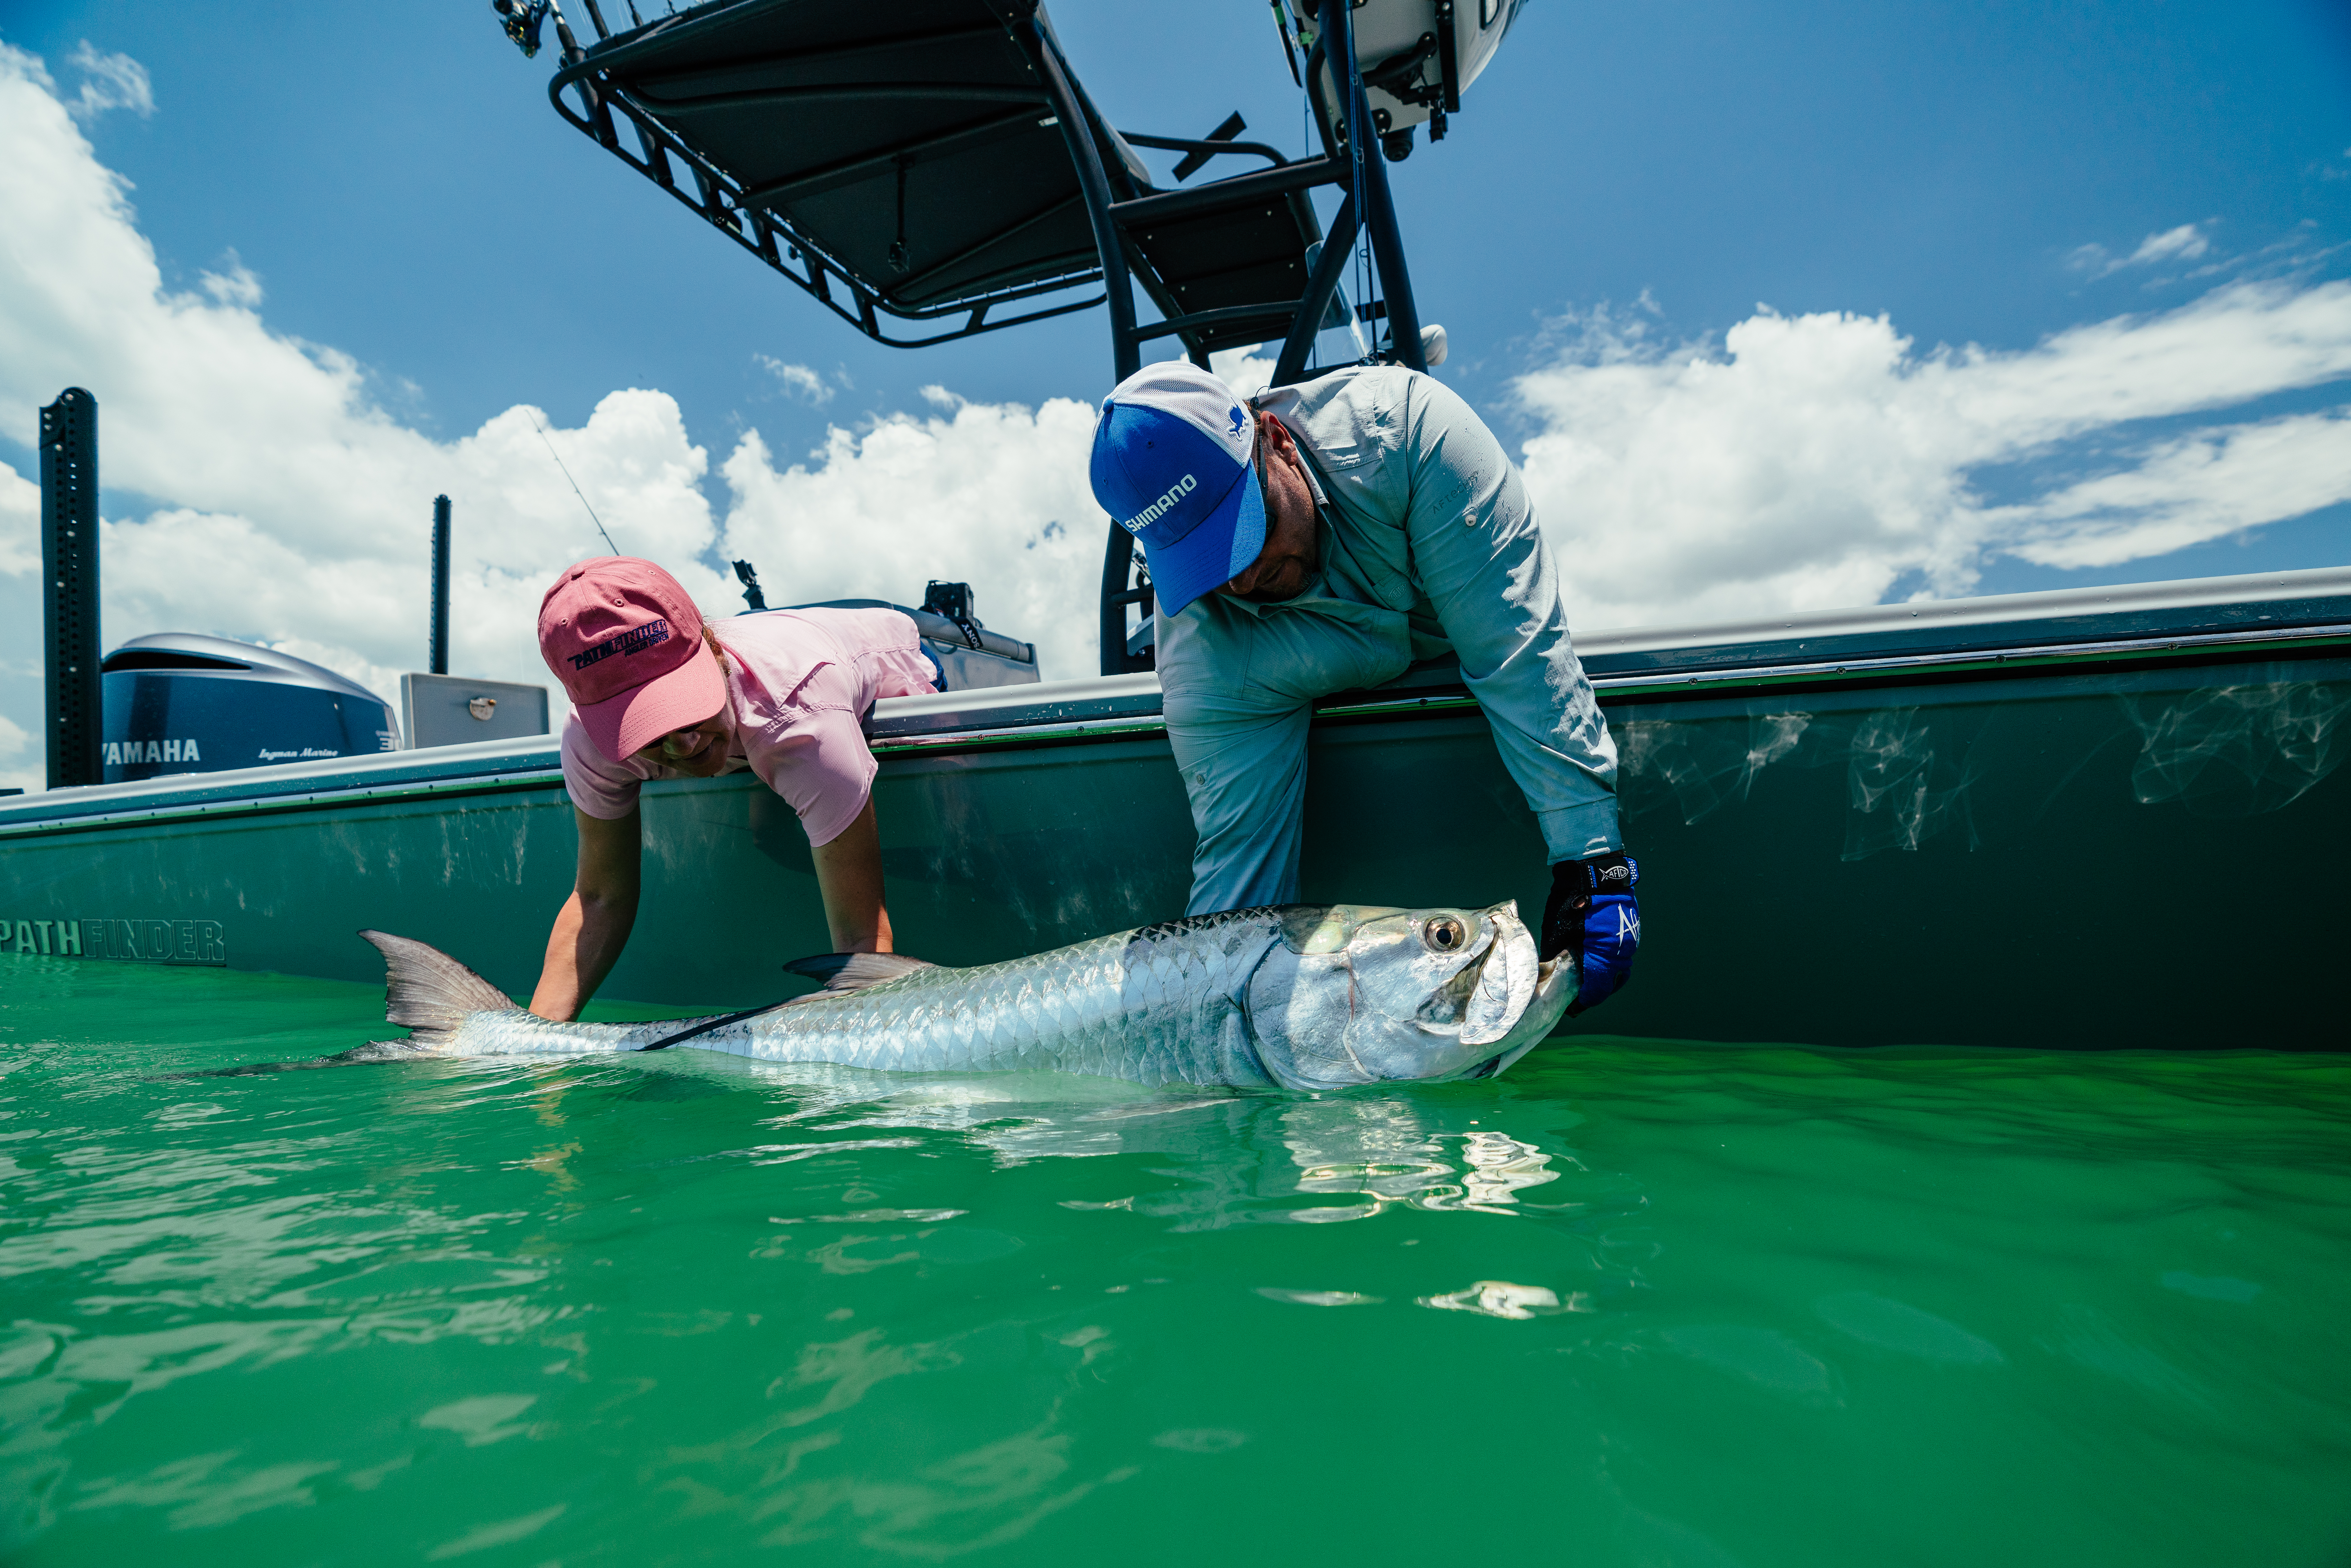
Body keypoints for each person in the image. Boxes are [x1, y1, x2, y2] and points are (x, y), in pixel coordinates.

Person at [1089, 362, 1640, 1014]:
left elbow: (1513, 656)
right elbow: (1239, 876)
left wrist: (1592, 863)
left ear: (1278, 441)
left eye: (1246, 526)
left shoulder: (1408, 434)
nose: (1239, 581)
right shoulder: (1205, 643)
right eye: (1202, 559)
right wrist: (1211, 1017)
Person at [528, 557, 940, 1019]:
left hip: (899, 662)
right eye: (645, 731)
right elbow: (600, 896)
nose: (684, 747)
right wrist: (536, 1057)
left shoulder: (804, 717)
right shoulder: (590, 741)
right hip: (772, 706)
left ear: (711, 648)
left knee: (950, 823)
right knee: (770, 838)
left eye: (685, 707)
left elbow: (863, 947)